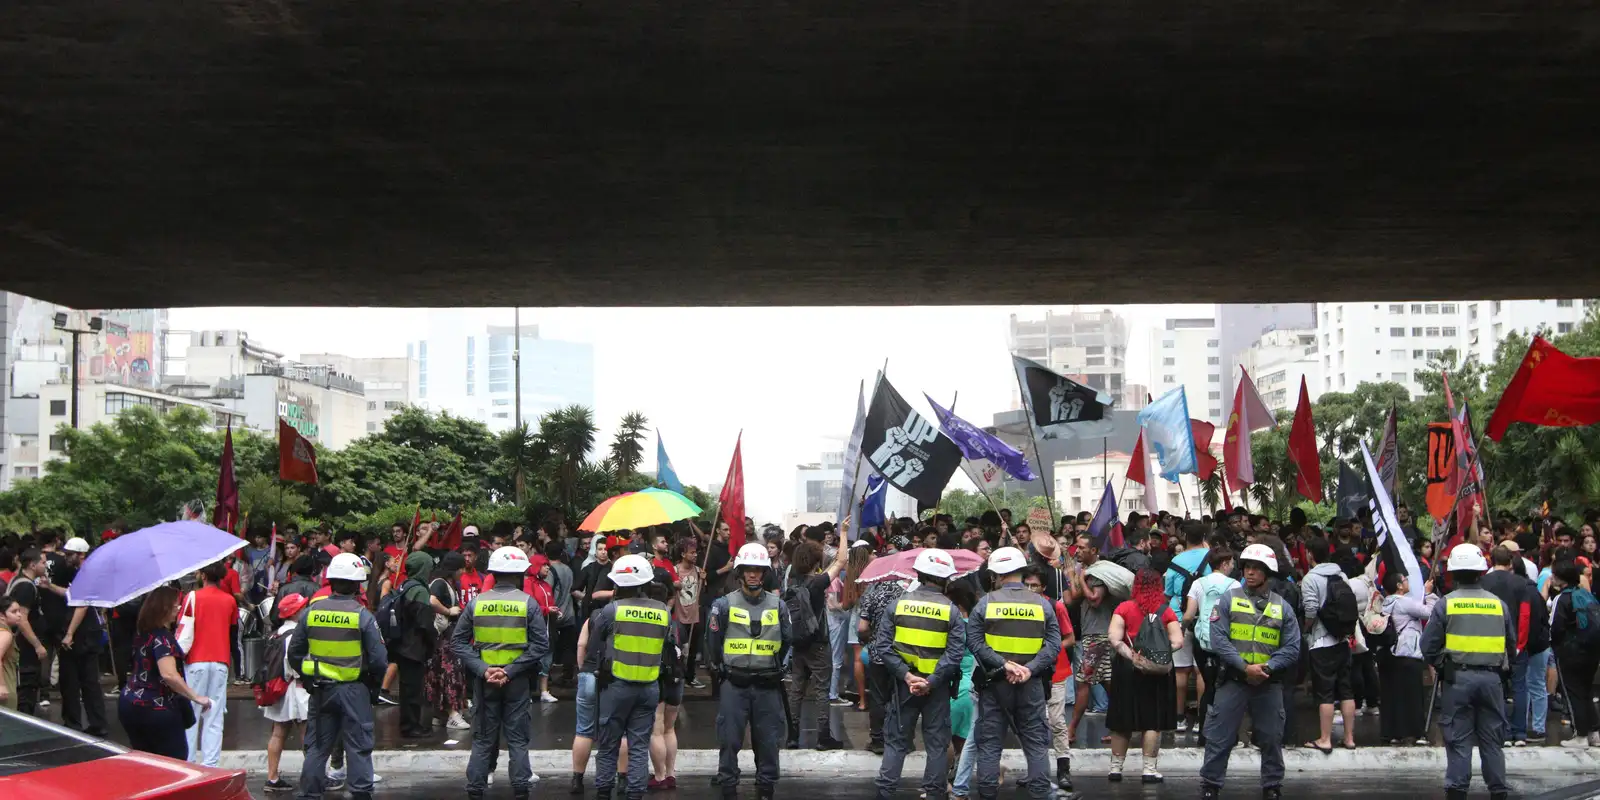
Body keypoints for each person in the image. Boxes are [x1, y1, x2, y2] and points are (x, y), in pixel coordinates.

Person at [1198, 544, 1301, 800]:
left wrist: (1267, 667)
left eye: (1256, 568)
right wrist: (1244, 668)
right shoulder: (1228, 599)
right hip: (1233, 680)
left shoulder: (1282, 607)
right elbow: (1218, 639)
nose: (1250, 572)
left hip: (1268, 683)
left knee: (1271, 737)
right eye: (1247, 567)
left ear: (1268, 573)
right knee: (1219, 737)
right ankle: (1211, 784)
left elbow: (1292, 647)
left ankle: (1272, 785)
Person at [453, 546, 551, 800]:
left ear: (493, 574)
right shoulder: (528, 603)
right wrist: (510, 671)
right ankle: (520, 788)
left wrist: (484, 670)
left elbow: (459, 642)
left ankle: (475, 789)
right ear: (520, 574)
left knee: (483, 739)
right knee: (518, 740)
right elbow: (541, 644)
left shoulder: (477, 603)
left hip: (485, 683)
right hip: (516, 681)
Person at [1421, 543, 1516, 800]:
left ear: (1453, 573)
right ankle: (1498, 791)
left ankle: (1457, 791)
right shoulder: (1498, 605)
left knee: (1458, 739)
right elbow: (1512, 647)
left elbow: (1427, 646)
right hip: (1492, 679)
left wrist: (1443, 663)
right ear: (1481, 572)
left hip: (1458, 680)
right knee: (1492, 740)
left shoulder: (1446, 604)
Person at [290, 553, 389, 800]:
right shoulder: (362, 615)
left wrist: (309, 679)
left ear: (331, 581)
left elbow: (295, 653)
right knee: (358, 747)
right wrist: (374, 688)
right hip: (354, 690)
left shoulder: (311, 612)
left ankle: (310, 794)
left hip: (321, 691)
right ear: (357, 585)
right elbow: (379, 660)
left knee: (317, 748)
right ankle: (360, 794)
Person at [967, 547, 1063, 800]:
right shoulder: (1043, 604)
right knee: (1035, 744)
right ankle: (1041, 794)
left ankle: (987, 794)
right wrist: (1029, 669)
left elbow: (974, 642)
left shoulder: (985, 603)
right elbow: (1053, 645)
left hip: (995, 684)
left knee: (989, 745)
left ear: (996, 574)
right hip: (1030, 684)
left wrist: (1003, 665)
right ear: (1021, 571)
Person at [872, 548, 966, 800]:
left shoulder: (898, 605)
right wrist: (931, 681)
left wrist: (907, 676)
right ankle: (934, 794)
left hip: (904, 687)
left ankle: (885, 792)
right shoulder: (951, 611)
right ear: (946, 579)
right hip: (937, 688)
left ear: (919, 574)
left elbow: (883, 647)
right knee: (936, 745)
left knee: (895, 742)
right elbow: (955, 654)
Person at [707, 542, 791, 800]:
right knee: (729, 739)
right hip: (735, 683)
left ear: (765, 573)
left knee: (768, 741)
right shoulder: (723, 605)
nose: (753, 574)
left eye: (758, 570)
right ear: (740, 572)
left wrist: (778, 669)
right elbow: (712, 645)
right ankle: (728, 784)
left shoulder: (779, 606)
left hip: (767, 685)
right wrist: (721, 672)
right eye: (748, 570)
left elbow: (787, 642)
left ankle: (766, 787)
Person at [592, 554, 670, 800]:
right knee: (638, 747)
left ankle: (604, 792)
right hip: (649, 687)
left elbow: (595, 645)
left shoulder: (611, 610)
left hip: (616, 686)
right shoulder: (663, 611)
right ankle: (635, 794)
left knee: (608, 746)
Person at [1104, 569, 1182, 783]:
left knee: (1122, 719)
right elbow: (1178, 641)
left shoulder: (1124, 608)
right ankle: (1148, 770)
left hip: (1127, 670)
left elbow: (1114, 638)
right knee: (1152, 720)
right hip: (1157, 673)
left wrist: (1133, 657)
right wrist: (1156, 656)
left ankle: (1115, 769)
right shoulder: (1166, 611)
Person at [119, 585, 211, 759]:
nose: (178, 609)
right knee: (174, 761)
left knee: (146, 760)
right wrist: (196, 697)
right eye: (175, 605)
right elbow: (168, 674)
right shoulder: (162, 638)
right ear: (164, 608)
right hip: (155, 707)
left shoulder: (142, 633)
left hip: (130, 702)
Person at [1480, 545, 1549, 747]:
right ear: (1510, 562)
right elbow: (1525, 615)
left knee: (1498, 688)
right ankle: (1519, 732)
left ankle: (1503, 732)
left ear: (1491, 561)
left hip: (1491, 644)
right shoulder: (1521, 584)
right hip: (1517, 645)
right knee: (1520, 687)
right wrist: (1520, 644)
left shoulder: (1483, 583)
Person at [784, 538, 848, 750]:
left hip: (798, 642)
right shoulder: (818, 583)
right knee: (821, 689)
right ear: (814, 562)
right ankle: (823, 737)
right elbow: (841, 561)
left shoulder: (792, 583)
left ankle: (792, 736)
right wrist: (845, 533)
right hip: (818, 643)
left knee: (796, 690)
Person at [1300, 537, 1356, 752]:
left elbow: (1311, 610)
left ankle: (1325, 739)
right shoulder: (1341, 574)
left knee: (1325, 692)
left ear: (1310, 555)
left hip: (1321, 642)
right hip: (1343, 639)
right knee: (1346, 690)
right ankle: (1349, 738)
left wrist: (1306, 629)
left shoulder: (1310, 579)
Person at [1184, 549, 1240, 748]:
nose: (1233, 566)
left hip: (1202, 643)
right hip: (1225, 643)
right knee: (1225, 688)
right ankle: (1227, 737)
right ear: (1224, 563)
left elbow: (1189, 615)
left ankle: (1204, 735)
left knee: (1207, 687)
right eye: (1232, 562)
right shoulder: (1234, 585)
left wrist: (1184, 628)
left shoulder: (1198, 583)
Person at [185, 560, 238, 767]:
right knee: (214, 716)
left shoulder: (192, 597)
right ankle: (211, 765)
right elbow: (232, 632)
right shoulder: (230, 601)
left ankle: (188, 763)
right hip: (220, 661)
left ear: (203, 576)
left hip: (195, 660)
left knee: (191, 715)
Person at [1378, 570, 1436, 745]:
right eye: (1404, 579)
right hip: (1407, 653)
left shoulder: (1384, 603)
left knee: (1392, 695)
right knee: (1413, 695)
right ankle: (1415, 732)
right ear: (1399, 586)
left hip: (1387, 653)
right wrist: (1429, 594)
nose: (1407, 581)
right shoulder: (1403, 602)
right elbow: (1430, 613)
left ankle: (1391, 732)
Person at [57, 538, 108, 735]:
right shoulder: (86, 573)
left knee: (74, 679)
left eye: (70, 554)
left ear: (81, 555)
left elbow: (82, 603)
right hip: (90, 631)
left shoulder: (85, 574)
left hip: (83, 633)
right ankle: (96, 722)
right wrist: (50, 586)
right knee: (89, 680)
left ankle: (74, 723)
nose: (66, 558)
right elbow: (72, 594)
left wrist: (69, 633)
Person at [264, 593, 312, 793]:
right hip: (296, 689)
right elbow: (297, 665)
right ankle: (313, 777)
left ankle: (272, 778)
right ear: (296, 612)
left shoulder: (275, 634)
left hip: (278, 689)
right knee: (307, 735)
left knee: (278, 733)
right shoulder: (297, 635)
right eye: (302, 607)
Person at [1548, 559, 1600, 748]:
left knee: (1573, 693)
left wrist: (1555, 646)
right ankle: (1594, 732)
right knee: (1586, 691)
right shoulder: (1585, 595)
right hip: (1592, 651)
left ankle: (1580, 736)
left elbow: (1555, 628)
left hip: (1570, 652)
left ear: (1560, 579)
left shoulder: (1561, 599)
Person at [1164, 522, 1210, 732]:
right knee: (1201, 671)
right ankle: (1202, 719)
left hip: (1179, 618)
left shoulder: (1176, 560)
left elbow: (1169, 592)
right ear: (1204, 536)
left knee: (1180, 671)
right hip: (1205, 618)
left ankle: (1179, 717)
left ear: (1184, 536)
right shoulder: (1211, 559)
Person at [393, 551, 437, 738]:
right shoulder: (419, 590)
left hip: (403, 644)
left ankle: (409, 723)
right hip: (414, 646)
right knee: (413, 689)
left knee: (407, 688)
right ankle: (411, 727)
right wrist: (432, 641)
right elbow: (424, 622)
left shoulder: (405, 585)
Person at [428, 552, 472, 730]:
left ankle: (440, 713)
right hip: (443, 639)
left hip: (447, 637)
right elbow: (431, 600)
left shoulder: (446, 583)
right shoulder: (440, 583)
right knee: (449, 675)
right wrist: (448, 611)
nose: (463, 571)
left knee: (443, 675)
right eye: (461, 568)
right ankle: (452, 714)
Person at [6, 549, 50, 714]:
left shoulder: (19, 581)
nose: (45, 565)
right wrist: (37, 645)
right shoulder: (25, 586)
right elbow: (22, 619)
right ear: (32, 564)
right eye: (43, 562)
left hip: (23, 647)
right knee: (27, 689)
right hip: (25, 649)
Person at [0, 596, 24, 709]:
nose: (19, 614)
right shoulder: (5, 634)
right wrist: (1, 686)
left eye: (19, 611)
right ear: (2, 615)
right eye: (14, 612)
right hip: (6, 689)